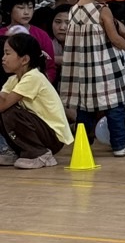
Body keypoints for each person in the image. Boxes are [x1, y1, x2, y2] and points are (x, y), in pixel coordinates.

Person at [60, 0, 125, 156]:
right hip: (105, 68)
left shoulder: (73, 10)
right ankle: (119, 146)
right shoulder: (102, 10)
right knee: (114, 107)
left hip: (82, 72)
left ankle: (83, 146)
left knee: (84, 110)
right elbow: (115, 38)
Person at [0, 32, 74, 168]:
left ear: (24, 59)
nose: (3, 58)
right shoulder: (13, 79)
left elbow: (3, 105)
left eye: (7, 53)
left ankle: (40, 154)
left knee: (10, 113)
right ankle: (17, 151)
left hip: (53, 137)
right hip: (40, 130)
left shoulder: (33, 77)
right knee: (5, 113)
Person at [0, 0, 58, 83]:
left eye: (30, 7)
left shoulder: (41, 35)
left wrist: (43, 83)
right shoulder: (2, 34)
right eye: (21, 8)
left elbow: (50, 67)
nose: (26, 12)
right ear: (9, 10)